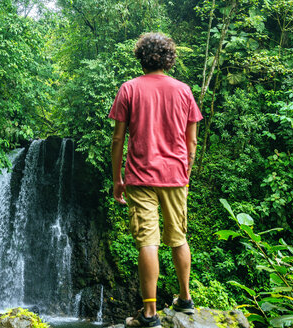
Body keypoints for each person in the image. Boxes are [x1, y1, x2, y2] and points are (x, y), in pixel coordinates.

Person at [109, 32, 203, 328]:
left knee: (147, 242)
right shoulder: (184, 90)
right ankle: (185, 299)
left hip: (139, 176)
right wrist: (185, 171)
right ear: (169, 58)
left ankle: (150, 313)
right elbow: (192, 143)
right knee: (178, 237)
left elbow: (118, 139)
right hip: (175, 175)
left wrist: (116, 179)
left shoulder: (129, 89)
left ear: (141, 57)